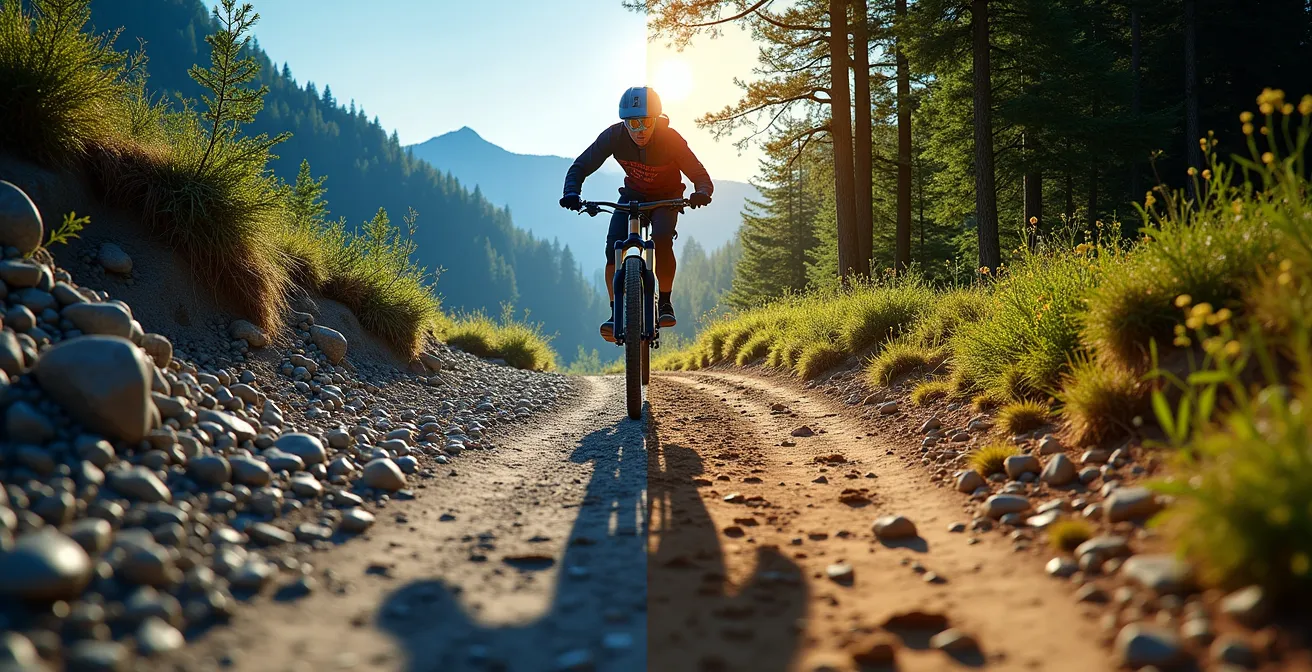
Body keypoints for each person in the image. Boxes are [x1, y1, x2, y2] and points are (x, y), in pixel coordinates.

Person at [560, 86, 713, 342]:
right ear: (624, 122)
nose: (640, 130)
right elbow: (581, 165)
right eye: (633, 123)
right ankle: (615, 313)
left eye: (646, 122)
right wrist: (571, 192)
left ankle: (665, 303)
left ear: (656, 120)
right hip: (632, 195)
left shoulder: (671, 139)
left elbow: (698, 173)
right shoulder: (613, 137)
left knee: (662, 239)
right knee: (614, 248)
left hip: (666, 197)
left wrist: (702, 192)